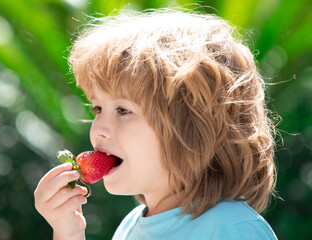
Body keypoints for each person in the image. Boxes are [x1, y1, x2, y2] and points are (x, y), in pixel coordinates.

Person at [34, 9, 278, 240]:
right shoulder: (129, 228)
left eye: (123, 110)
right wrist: (68, 232)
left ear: (191, 127)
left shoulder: (231, 229)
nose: (98, 129)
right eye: (98, 108)